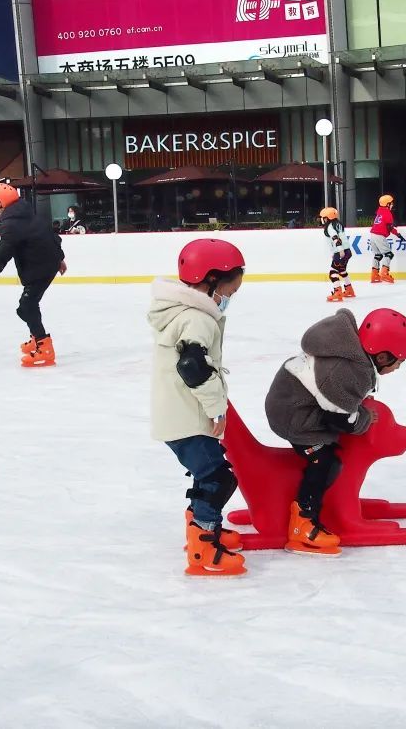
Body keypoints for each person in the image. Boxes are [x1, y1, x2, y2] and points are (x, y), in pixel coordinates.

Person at [265, 307, 406, 556]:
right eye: (399, 362)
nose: (398, 368)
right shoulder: (347, 372)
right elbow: (341, 420)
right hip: (293, 417)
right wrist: (364, 419)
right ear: (382, 357)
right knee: (326, 462)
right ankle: (303, 521)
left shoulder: (350, 355)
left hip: (297, 403)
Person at [148, 239, 247, 576]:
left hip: (177, 413)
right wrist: (217, 406)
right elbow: (192, 366)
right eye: (230, 290)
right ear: (211, 281)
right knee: (217, 478)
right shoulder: (199, 319)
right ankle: (203, 544)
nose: (230, 298)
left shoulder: (183, 311)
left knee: (211, 475)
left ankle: (207, 527)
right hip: (186, 417)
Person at [0, 183, 67, 367]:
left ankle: (44, 347)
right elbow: (50, 236)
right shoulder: (26, 214)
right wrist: (60, 259)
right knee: (27, 307)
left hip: (40, 268)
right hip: (46, 264)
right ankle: (36, 337)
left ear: (2, 203)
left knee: (26, 307)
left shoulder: (12, 224)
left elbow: (2, 256)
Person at [318, 206, 354, 302]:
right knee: (342, 271)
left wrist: (339, 250)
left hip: (341, 251)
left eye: (323, 217)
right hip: (347, 251)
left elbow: (335, 238)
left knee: (333, 273)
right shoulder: (337, 224)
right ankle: (349, 289)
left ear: (327, 218)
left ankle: (337, 292)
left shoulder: (330, 227)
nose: (322, 219)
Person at [369, 194, 404, 284]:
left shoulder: (379, 211)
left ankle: (374, 275)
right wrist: (398, 235)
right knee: (388, 254)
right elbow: (390, 228)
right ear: (387, 204)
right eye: (391, 203)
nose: (392, 205)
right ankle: (384, 273)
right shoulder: (387, 213)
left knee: (378, 255)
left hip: (372, 235)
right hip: (379, 235)